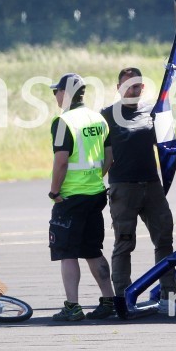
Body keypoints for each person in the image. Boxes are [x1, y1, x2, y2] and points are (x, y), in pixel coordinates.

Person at [101, 67, 176, 314]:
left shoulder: (152, 112)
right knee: (124, 243)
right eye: (127, 86)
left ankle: (168, 295)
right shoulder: (106, 116)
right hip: (123, 189)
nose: (132, 90)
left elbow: (168, 142)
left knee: (164, 240)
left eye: (136, 86)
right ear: (118, 88)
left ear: (143, 88)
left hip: (151, 186)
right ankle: (123, 298)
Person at [48, 73, 116, 321]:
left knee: (67, 252)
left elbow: (61, 161)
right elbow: (109, 157)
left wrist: (54, 192)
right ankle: (108, 299)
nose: (55, 96)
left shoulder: (62, 122)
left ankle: (72, 306)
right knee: (93, 250)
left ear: (65, 94)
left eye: (56, 91)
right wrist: (96, 178)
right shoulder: (99, 119)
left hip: (70, 197)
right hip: (95, 194)